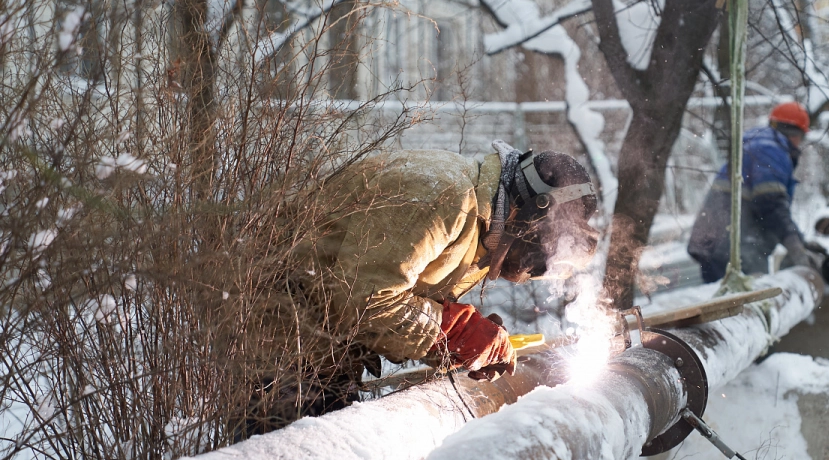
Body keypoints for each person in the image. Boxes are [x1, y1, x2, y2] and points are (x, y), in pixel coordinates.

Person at [238, 142, 599, 436]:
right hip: (281, 333)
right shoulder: (446, 198)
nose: (532, 263)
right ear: (532, 212)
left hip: (323, 340)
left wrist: (461, 339)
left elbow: (391, 294)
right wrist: (456, 332)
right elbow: (365, 300)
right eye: (542, 243)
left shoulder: (480, 226)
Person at [687, 101, 824, 282]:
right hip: (737, 246)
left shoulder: (757, 143)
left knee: (723, 303)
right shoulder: (771, 149)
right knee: (747, 303)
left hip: (718, 241)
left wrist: (800, 240)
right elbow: (770, 203)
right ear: (795, 134)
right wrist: (795, 246)